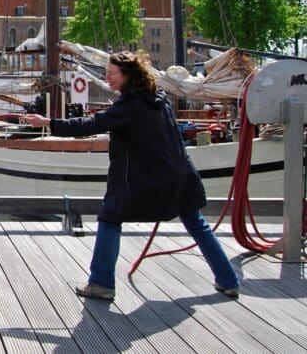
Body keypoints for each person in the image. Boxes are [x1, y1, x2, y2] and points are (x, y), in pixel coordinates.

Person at [21, 51, 240, 301]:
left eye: (111, 73)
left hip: (146, 179)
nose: (107, 78)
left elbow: (89, 125)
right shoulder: (160, 100)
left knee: (110, 218)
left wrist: (47, 123)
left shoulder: (128, 107)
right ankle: (228, 280)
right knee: (196, 224)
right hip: (181, 175)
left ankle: (101, 283)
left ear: (127, 75)